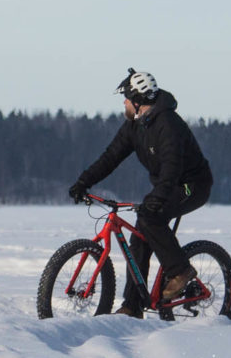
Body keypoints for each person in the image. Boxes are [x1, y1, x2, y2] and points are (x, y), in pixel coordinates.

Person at [68, 68, 214, 317]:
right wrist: (83, 182)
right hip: (167, 185)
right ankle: (133, 305)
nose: (123, 102)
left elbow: (172, 165)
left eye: (125, 97)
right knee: (139, 236)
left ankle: (180, 271)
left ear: (138, 101)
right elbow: (110, 157)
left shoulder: (168, 123)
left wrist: (158, 196)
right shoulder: (134, 126)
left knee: (149, 217)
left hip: (192, 185)